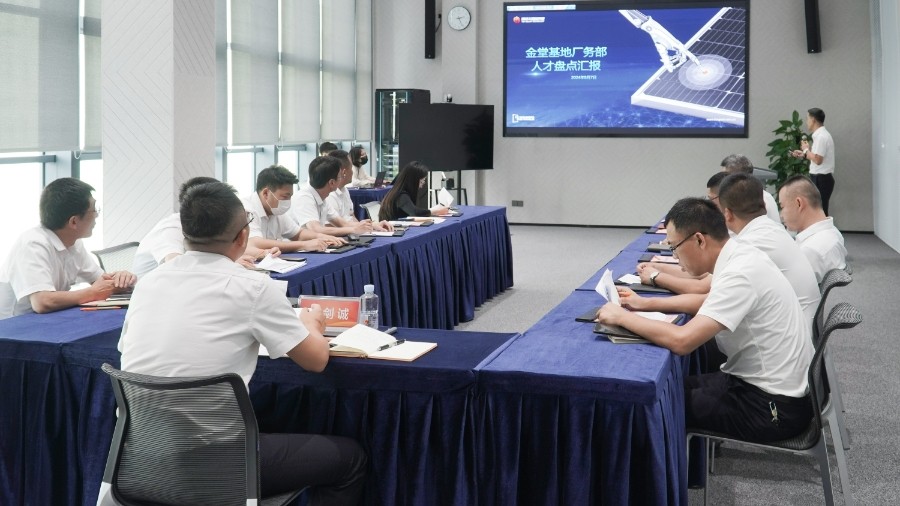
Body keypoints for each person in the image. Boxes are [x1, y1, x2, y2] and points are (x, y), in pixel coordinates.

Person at [118, 182, 366, 504]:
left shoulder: (148, 284)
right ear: (243, 237)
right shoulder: (253, 287)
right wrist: (311, 323)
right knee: (349, 458)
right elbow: (316, 360)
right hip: (215, 466)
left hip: (138, 458)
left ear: (184, 234)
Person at [597, 197, 814, 443]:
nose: (675, 256)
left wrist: (622, 317)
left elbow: (682, 341)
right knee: (668, 390)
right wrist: (645, 304)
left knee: (649, 405)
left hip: (771, 407)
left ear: (699, 240)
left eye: (674, 247)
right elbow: (709, 302)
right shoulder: (740, 254)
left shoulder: (740, 273)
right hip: (763, 387)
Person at [638, 173, 820, 323]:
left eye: (711, 200)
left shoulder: (752, 243)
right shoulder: (764, 230)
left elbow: (703, 290)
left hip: (787, 334)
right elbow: (705, 274)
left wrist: (655, 279)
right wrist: (658, 267)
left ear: (727, 213)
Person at [0, 178, 137, 319]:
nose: (97, 215)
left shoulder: (74, 243)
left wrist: (121, 279)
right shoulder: (33, 243)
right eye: (94, 210)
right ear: (74, 221)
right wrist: (92, 292)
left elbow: (99, 282)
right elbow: (42, 302)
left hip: (47, 320)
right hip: (13, 326)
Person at [132, 176, 280, 278]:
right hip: (147, 297)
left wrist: (261, 253)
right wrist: (227, 265)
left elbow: (223, 246)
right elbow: (176, 265)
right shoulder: (169, 228)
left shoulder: (202, 223)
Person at [242, 165, 343, 252]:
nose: (288, 201)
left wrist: (321, 237)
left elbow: (298, 234)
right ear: (266, 193)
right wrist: (304, 245)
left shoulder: (275, 210)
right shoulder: (246, 209)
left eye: (290, 197)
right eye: (285, 197)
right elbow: (256, 243)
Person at [292, 156, 386, 237]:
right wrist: (354, 230)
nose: (341, 179)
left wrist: (371, 226)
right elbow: (316, 229)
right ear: (332, 183)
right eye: (340, 177)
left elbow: (342, 223)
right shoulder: (304, 197)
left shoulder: (322, 198)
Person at [778, 174, 847, 283]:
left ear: (799, 203)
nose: (781, 215)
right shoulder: (834, 233)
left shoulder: (809, 251)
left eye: (782, 207)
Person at [325, 150, 393, 231]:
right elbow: (330, 227)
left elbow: (351, 217)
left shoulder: (344, 190)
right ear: (344, 172)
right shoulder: (329, 196)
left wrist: (372, 226)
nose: (352, 172)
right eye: (351, 168)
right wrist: (362, 228)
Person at [792, 108, 835, 215]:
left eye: (807, 119)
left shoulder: (821, 137)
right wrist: (804, 154)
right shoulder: (820, 135)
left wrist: (806, 150)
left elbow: (818, 160)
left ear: (813, 120)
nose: (806, 122)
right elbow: (816, 156)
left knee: (820, 211)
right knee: (818, 210)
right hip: (820, 178)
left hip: (821, 179)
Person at [720, 154, 781, 224]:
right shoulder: (731, 196)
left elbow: (773, 224)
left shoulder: (764, 197)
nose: (722, 179)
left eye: (725, 175)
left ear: (739, 176)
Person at [378, 161, 448, 221]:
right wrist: (435, 210)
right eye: (422, 180)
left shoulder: (399, 191)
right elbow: (414, 212)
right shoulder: (400, 195)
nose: (423, 183)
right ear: (414, 180)